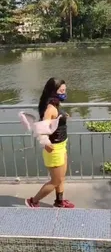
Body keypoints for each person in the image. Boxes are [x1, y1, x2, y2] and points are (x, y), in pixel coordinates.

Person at [25, 77, 74, 208]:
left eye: (65, 90)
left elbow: (55, 119)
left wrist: (64, 116)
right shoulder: (50, 108)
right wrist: (45, 143)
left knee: (61, 178)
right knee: (55, 180)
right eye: (61, 90)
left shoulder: (56, 105)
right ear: (53, 91)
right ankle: (33, 201)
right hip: (54, 148)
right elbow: (42, 129)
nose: (64, 92)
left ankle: (59, 201)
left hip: (62, 145)